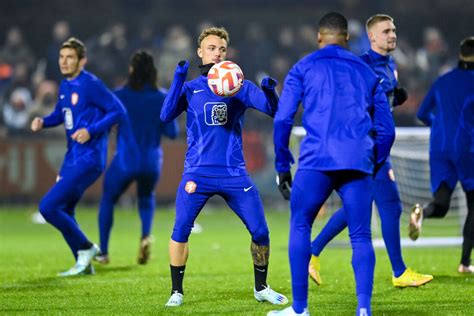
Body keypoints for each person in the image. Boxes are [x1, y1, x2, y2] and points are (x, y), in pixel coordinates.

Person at [269, 12, 395, 316]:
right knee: (362, 235)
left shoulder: (303, 67)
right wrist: (374, 162)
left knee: (301, 224)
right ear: (348, 38)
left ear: (318, 37)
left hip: (316, 159)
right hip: (357, 160)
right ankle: (363, 309)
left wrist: (283, 163)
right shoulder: (367, 72)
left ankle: (300, 310)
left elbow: (284, 118)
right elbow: (387, 129)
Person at [160, 26, 288, 307]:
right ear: (200, 52)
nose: (216, 53)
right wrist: (178, 78)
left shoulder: (238, 85)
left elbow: (276, 112)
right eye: (211, 48)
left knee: (261, 232)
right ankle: (176, 291)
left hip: (234, 174)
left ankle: (261, 287)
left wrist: (270, 92)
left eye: (221, 49)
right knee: (180, 229)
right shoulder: (192, 88)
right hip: (197, 173)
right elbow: (166, 114)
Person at [308, 14, 433, 288]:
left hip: (378, 145)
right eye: (386, 31)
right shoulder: (360, 64)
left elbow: (379, 103)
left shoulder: (391, 65)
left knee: (360, 205)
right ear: (372, 37)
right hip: (364, 146)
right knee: (388, 204)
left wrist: (393, 99)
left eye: (394, 30)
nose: (392, 35)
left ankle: (313, 250)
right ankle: (399, 272)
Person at [30, 37, 125, 276]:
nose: (64, 61)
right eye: (61, 57)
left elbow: (118, 111)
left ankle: (87, 247)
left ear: (82, 60)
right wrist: (44, 122)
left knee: (48, 206)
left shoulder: (90, 84)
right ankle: (84, 266)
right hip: (71, 156)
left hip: (90, 157)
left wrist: (91, 130)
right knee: (65, 209)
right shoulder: (65, 85)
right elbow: (62, 115)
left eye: (70, 57)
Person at [94, 50, 179, 265]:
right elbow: (172, 133)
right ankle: (145, 237)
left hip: (125, 159)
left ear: (131, 70)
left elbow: (105, 122)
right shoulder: (163, 97)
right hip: (151, 161)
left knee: (108, 199)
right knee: (146, 197)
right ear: (153, 72)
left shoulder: (119, 95)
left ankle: (103, 252)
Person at [412, 36, 474, 273]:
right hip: (467, 148)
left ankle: (422, 213)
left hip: (439, 147)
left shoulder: (442, 80)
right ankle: (465, 263)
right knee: (473, 205)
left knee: (441, 203)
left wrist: (440, 127)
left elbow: (422, 113)